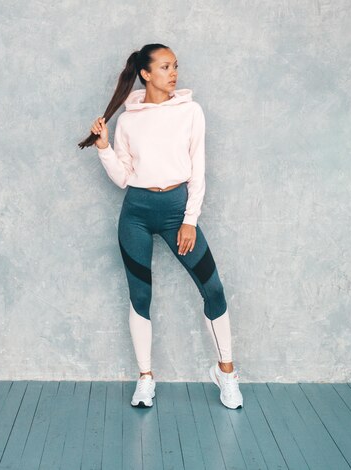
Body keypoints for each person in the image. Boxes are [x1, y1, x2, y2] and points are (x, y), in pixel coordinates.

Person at [78, 44, 243, 409]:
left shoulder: (190, 111)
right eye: (166, 66)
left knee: (212, 290)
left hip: (176, 212)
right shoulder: (127, 119)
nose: (174, 73)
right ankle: (145, 379)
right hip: (136, 212)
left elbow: (197, 170)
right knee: (140, 297)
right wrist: (104, 147)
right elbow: (123, 178)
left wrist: (189, 221)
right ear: (145, 74)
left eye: (176, 66)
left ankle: (226, 373)